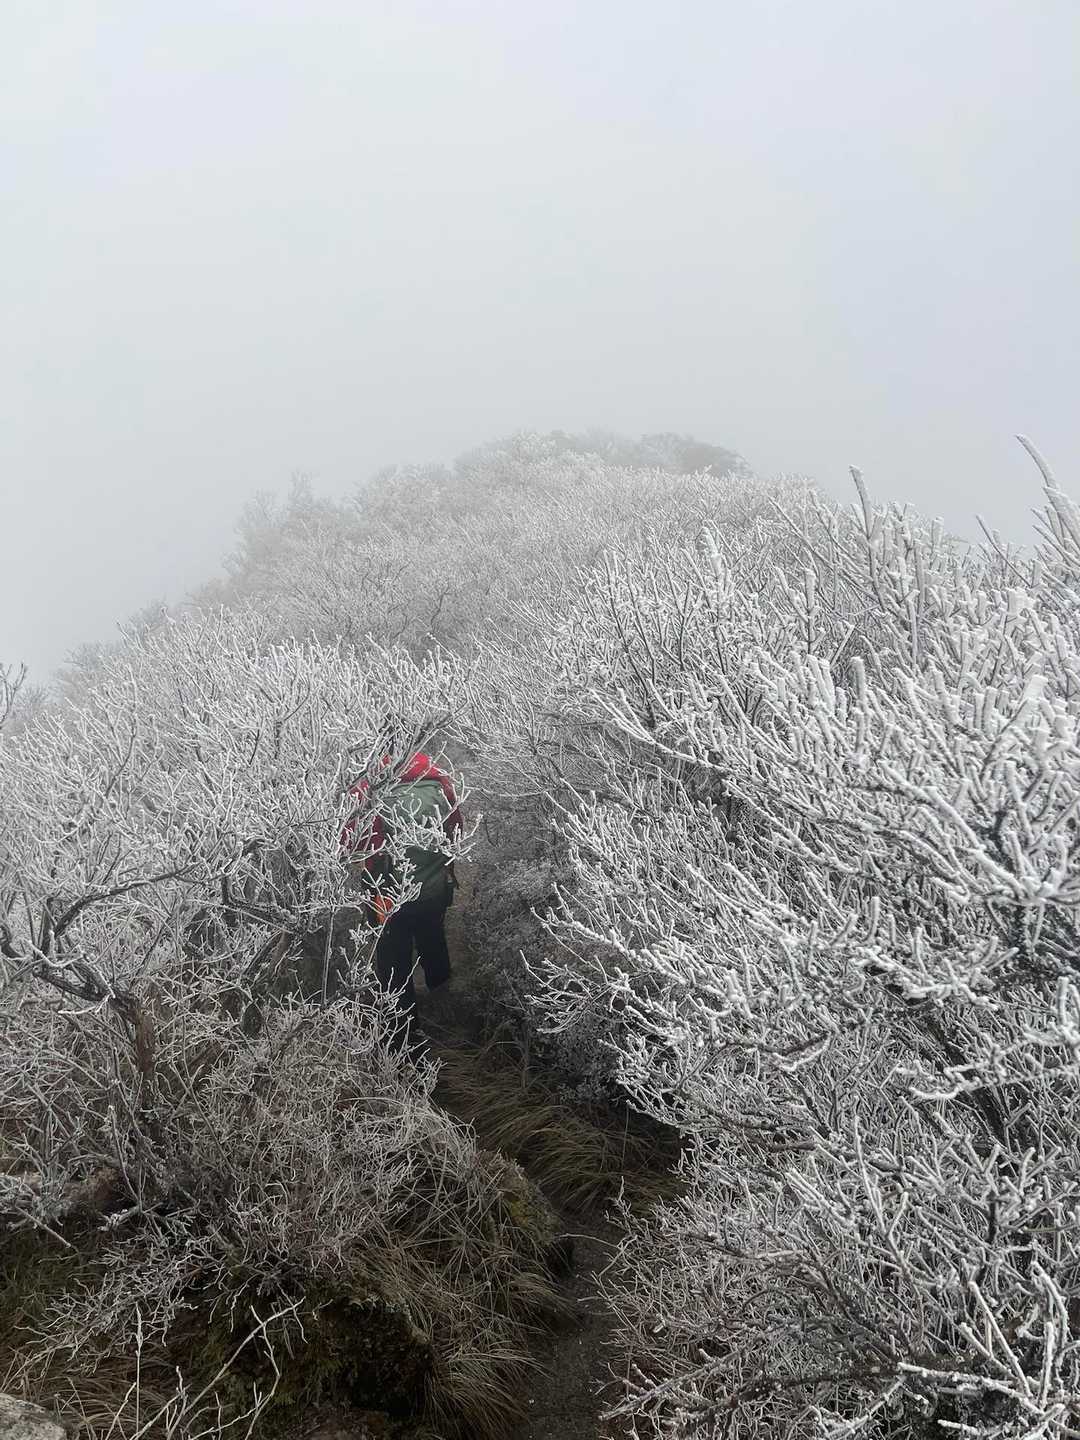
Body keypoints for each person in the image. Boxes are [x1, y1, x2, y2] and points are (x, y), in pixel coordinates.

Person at [341, 747, 463, 1047]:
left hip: (387, 897)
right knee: (432, 938)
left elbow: (347, 842)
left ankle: (405, 1040)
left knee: (394, 961)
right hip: (434, 890)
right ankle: (447, 1008)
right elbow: (456, 832)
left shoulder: (370, 788)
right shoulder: (438, 779)